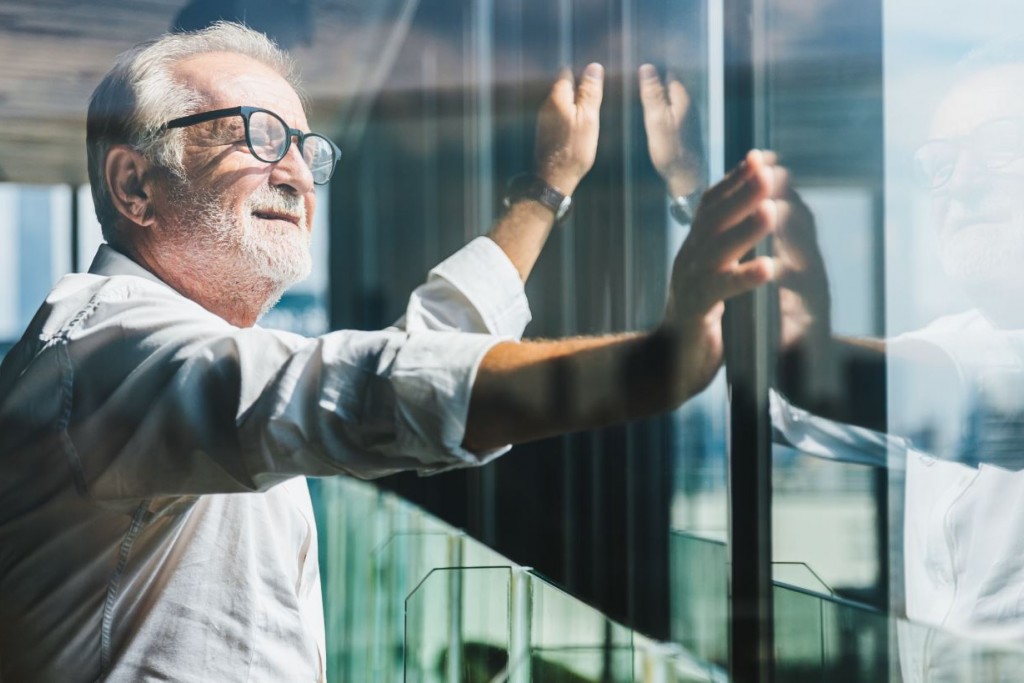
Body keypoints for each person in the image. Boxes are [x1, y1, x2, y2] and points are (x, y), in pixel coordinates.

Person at [0, 22, 778, 682]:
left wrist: (543, 192)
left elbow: (414, 356)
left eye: (306, 146)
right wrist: (656, 360)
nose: (299, 173)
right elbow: (376, 389)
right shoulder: (106, 352)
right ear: (134, 185)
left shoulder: (178, 352)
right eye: (258, 135)